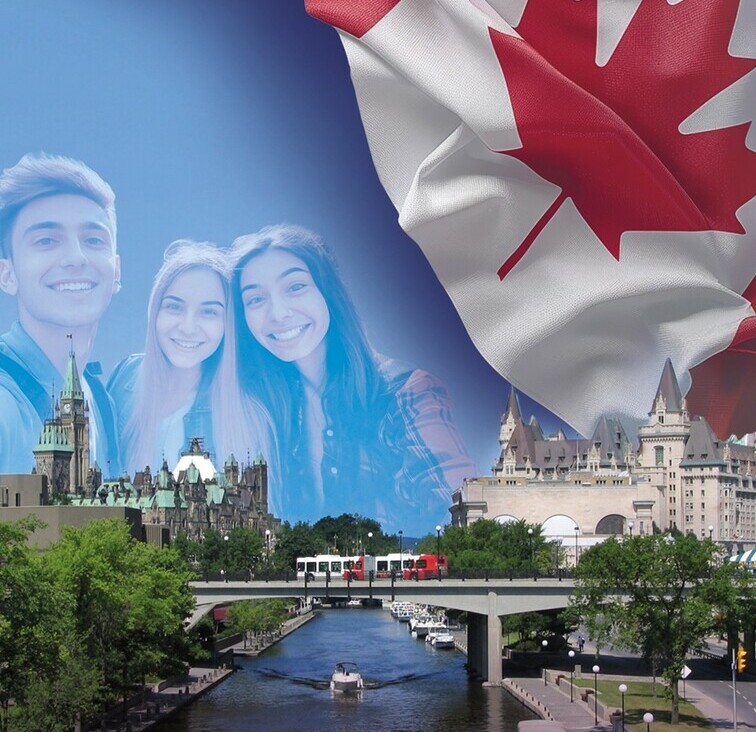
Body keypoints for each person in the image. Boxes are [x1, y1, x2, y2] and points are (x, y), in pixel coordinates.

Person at [231, 223, 476, 533]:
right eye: (255, 299)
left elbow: (460, 511)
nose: (278, 313)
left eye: (295, 287)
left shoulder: (406, 393)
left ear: (328, 293)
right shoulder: (270, 408)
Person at [0, 153, 121, 474]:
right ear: (6, 274)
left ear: (116, 271)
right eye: (46, 240)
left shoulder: (101, 398)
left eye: (93, 239)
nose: (75, 257)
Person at [108, 240, 269, 474]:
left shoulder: (249, 415)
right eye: (174, 307)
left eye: (208, 311)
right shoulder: (124, 379)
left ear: (227, 323)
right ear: (155, 311)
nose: (188, 327)